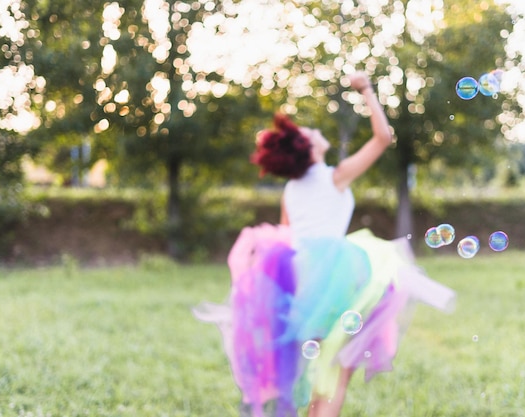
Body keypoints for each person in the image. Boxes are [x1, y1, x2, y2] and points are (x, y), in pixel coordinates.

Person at [193, 71, 455, 417]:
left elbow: (288, 233)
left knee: (310, 361)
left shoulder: (291, 189)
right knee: (335, 369)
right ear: (310, 148)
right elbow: (382, 137)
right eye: (309, 132)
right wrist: (367, 90)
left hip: (295, 276)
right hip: (336, 276)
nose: (315, 131)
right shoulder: (335, 176)